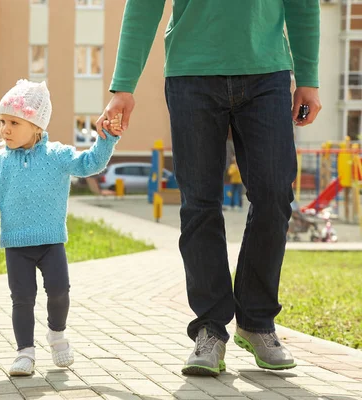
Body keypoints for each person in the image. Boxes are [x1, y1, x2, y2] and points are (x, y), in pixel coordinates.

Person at [97, 0, 322, 376]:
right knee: (199, 204)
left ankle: (256, 321)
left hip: (266, 70)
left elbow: (302, 4)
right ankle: (210, 329)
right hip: (191, 73)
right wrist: (124, 85)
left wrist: (309, 77)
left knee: (274, 195)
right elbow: (143, 6)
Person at [0, 79, 120, 376]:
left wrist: (106, 139)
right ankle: (25, 352)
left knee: (59, 291)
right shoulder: (0, 161)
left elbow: (89, 163)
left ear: (36, 125)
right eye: (3, 121)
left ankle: (57, 334)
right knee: (22, 299)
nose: (5, 129)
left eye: (14, 122)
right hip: (16, 244)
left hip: (51, 241)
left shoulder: (57, 155)